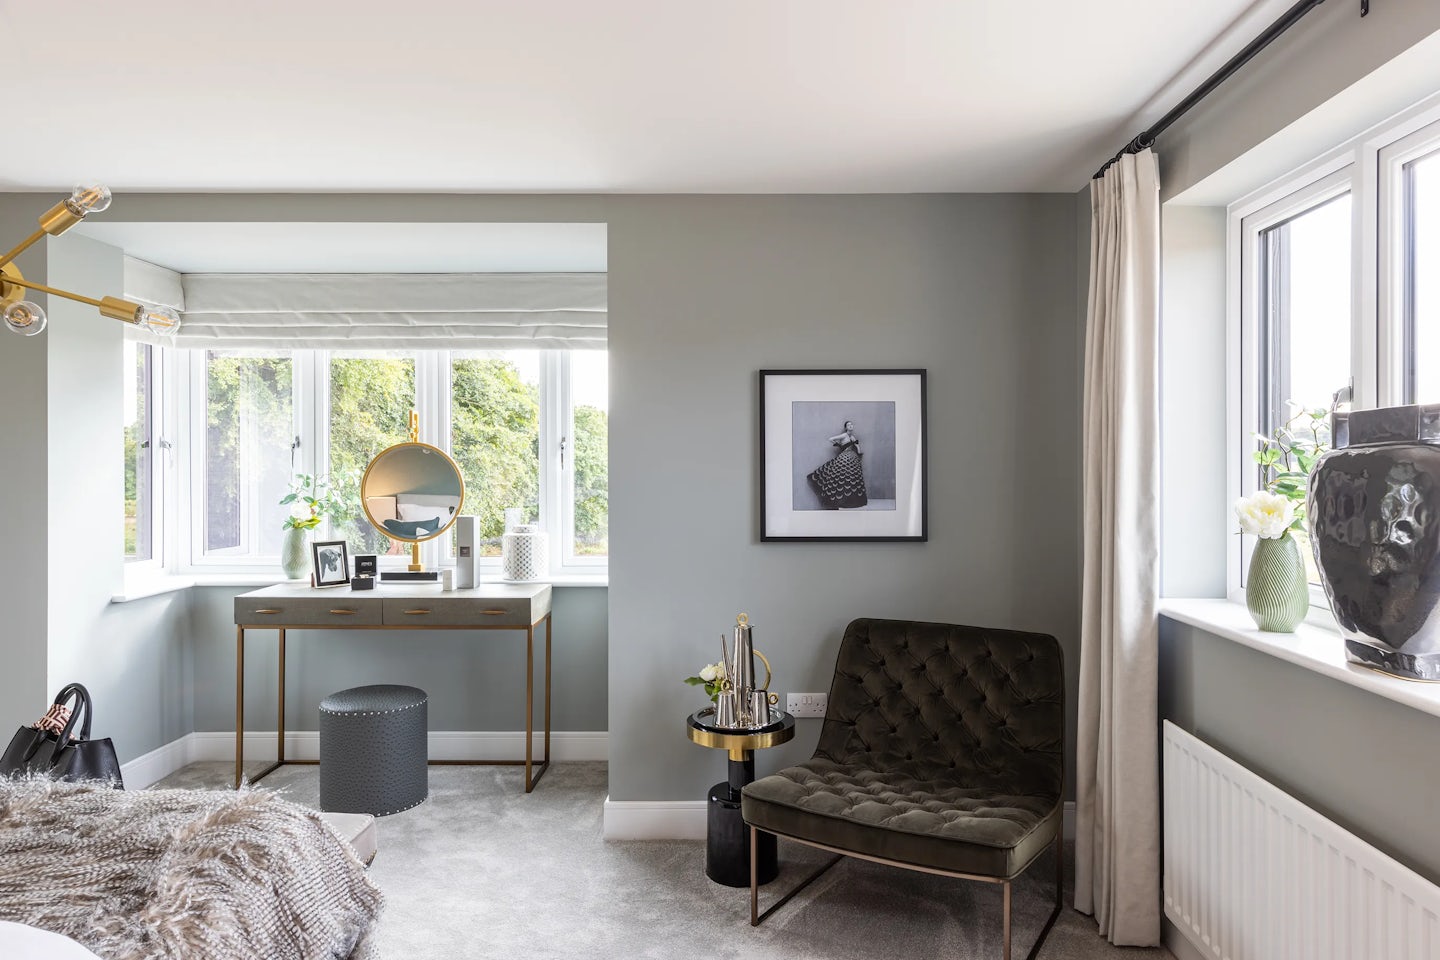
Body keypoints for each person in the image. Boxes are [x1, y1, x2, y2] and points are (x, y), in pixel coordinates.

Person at [807, 420, 868, 509]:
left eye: (851, 424)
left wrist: (858, 453)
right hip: (845, 457)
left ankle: (849, 500)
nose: (851, 426)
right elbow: (831, 439)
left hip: (853, 458)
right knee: (842, 477)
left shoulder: (853, 437)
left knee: (851, 478)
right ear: (846, 427)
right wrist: (840, 445)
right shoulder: (844, 435)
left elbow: (857, 446)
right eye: (848, 425)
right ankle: (840, 501)